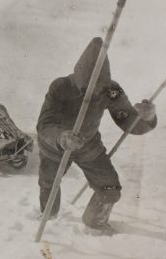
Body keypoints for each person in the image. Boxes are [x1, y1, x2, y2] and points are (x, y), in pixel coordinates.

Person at [36, 37, 157, 233]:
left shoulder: (111, 91)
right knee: (49, 185)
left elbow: (129, 123)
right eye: (91, 89)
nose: (97, 93)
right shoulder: (60, 87)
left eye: (102, 88)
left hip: (88, 147)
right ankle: (49, 222)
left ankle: (94, 224)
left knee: (110, 190)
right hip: (56, 147)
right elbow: (45, 124)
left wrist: (147, 117)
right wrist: (62, 137)